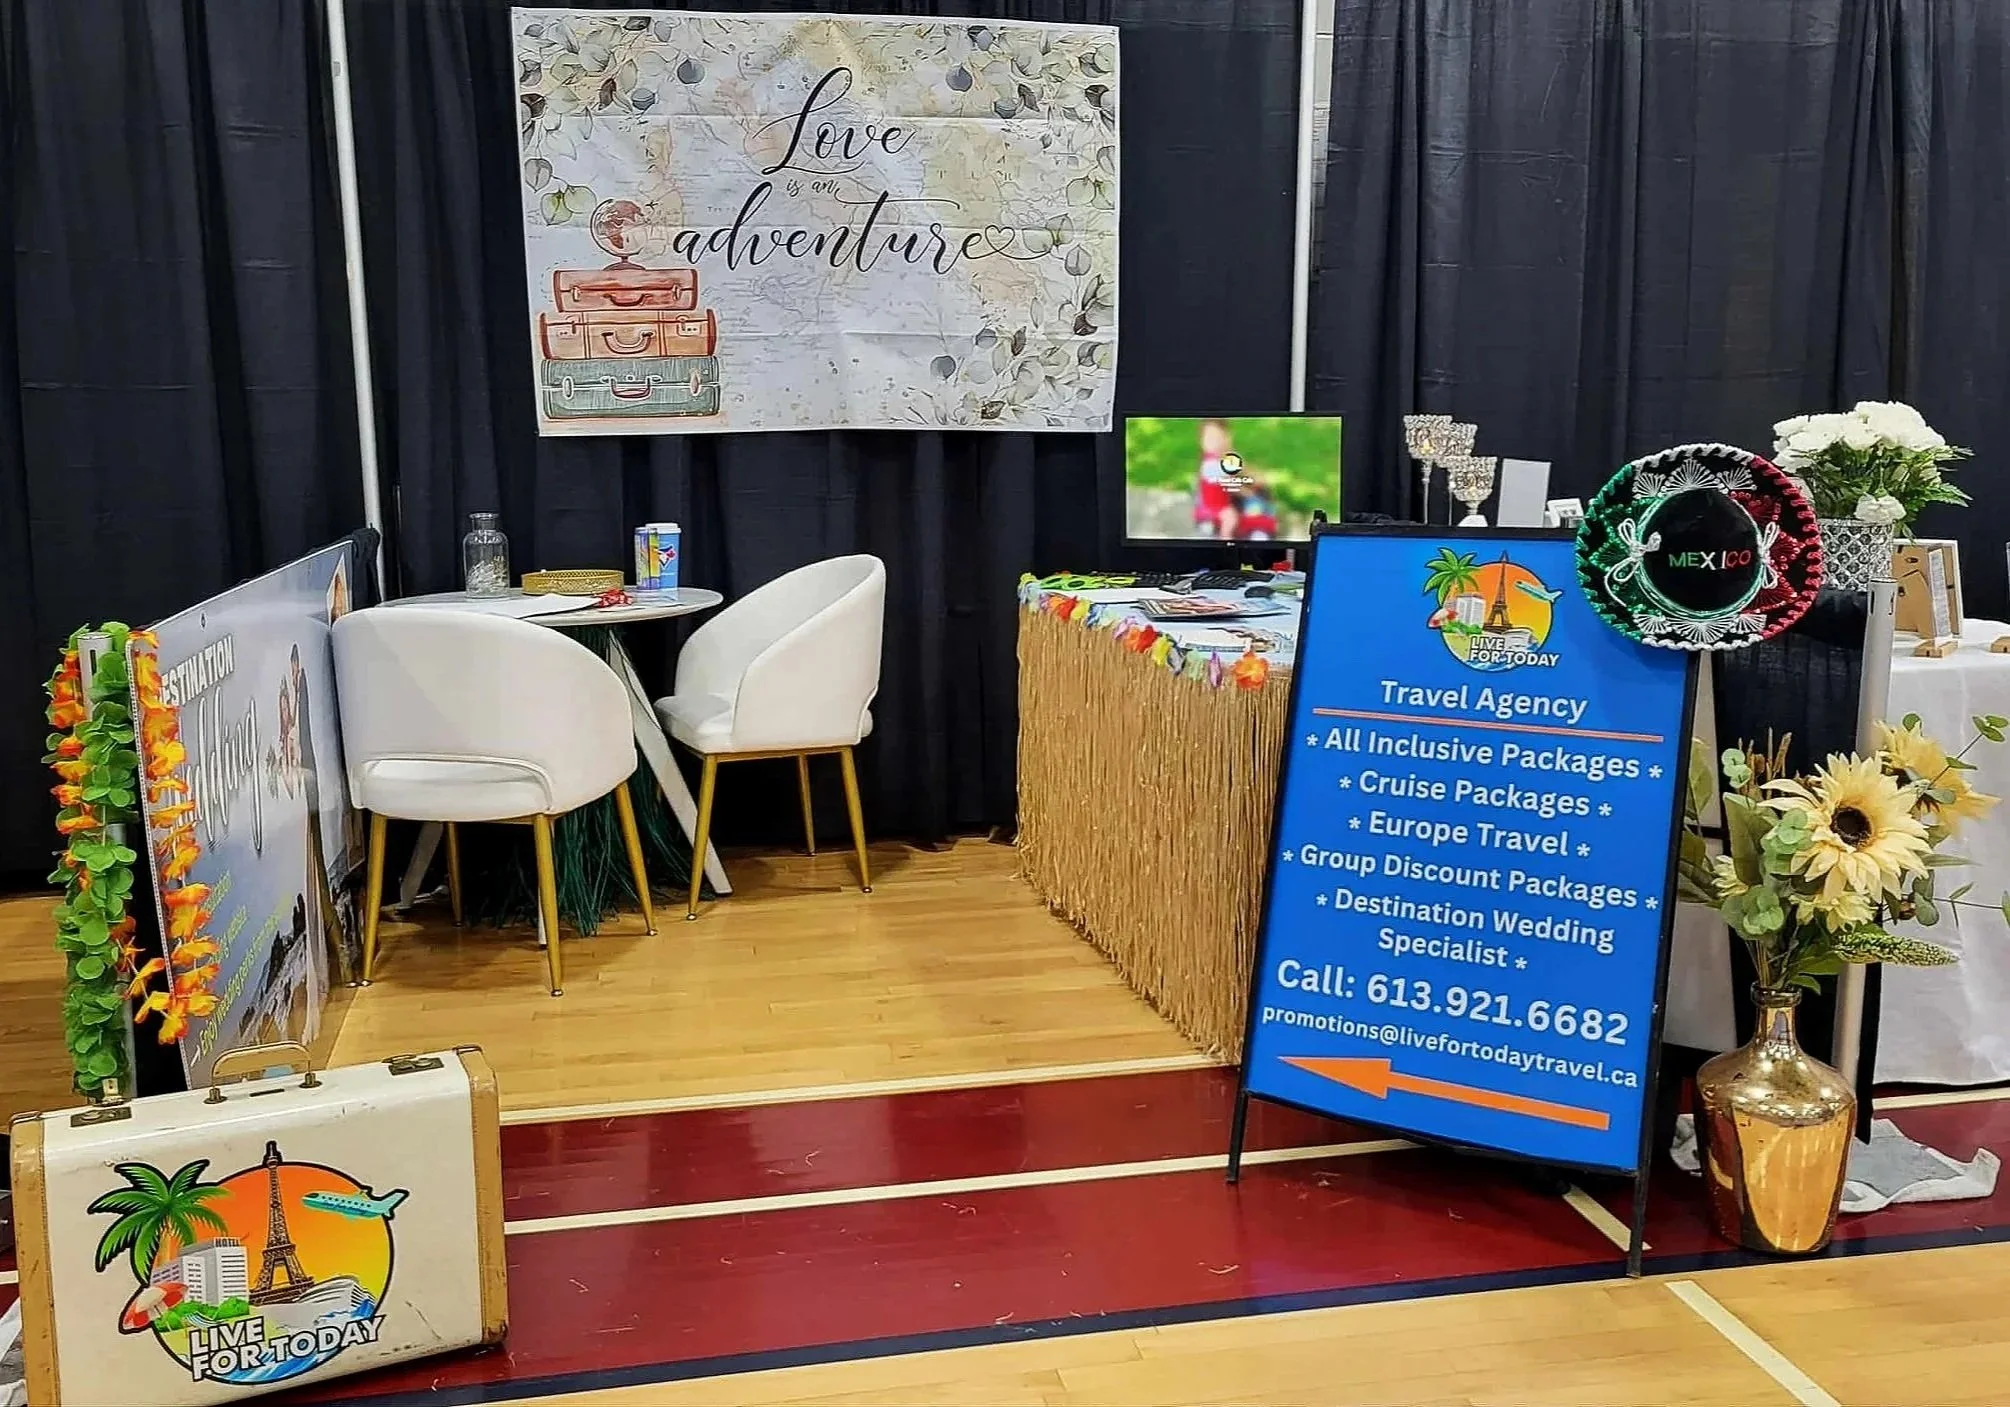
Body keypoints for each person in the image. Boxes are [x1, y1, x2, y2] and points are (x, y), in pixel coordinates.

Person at [1192, 420, 1238, 537]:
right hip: (1210, 509)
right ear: (1202, 442)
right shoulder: (1210, 463)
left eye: (1218, 438)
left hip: (1219, 504)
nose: (1215, 443)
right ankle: (1225, 538)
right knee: (1230, 517)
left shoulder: (1218, 459)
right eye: (1210, 439)